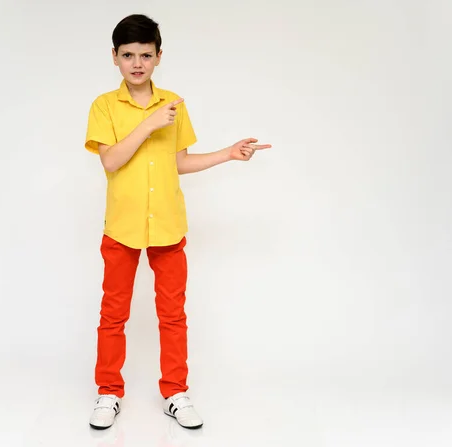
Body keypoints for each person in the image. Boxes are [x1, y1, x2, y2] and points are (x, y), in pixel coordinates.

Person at [84, 13, 271, 430]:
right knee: (113, 313)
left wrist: (228, 153)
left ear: (158, 57)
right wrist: (148, 124)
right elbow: (111, 160)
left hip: (168, 225)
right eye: (128, 55)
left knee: (173, 313)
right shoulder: (104, 106)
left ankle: (175, 392)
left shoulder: (174, 103)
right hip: (122, 228)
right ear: (114, 57)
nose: (137, 63)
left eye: (145, 55)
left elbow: (180, 162)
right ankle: (108, 392)